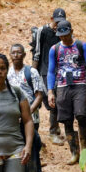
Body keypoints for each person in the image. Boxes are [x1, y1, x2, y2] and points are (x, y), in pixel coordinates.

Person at [46, 21, 86, 165]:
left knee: (81, 115)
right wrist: (50, 91)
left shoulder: (81, 46)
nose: (64, 38)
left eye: (66, 35)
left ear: (71, 31)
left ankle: (85, 150)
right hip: (62, 86)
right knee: (66, 119)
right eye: (61, 36)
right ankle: (74, 152)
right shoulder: (54, 49)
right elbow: (50, 71)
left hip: (79, 84)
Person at [8, 43, 47, 172]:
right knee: (12, 155)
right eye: (13, 52)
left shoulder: (31, 72)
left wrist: (27, 112)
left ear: (24, 55)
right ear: (10, 55)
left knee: (32, 153)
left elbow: (39, 95)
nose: (16, 55)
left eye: (19, 52)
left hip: (31, 119)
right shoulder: (7, 73)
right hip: (12, 120)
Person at [32, 8, 66, 145]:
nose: (58, 24)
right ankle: (52, 132)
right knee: (52, 102)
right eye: (57, 21)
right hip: (45, 70)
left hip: (59, 70)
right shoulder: (42, 31)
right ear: (52, 20)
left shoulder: (63, 31)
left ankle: (56, 127)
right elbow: (37, 51)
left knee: (59, 101)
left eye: (61, 22)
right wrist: (33, 73)